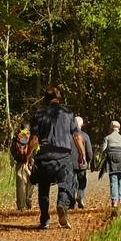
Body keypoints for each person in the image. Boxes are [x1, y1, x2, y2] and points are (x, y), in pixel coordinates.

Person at [28, 87, 87, 229]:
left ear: (45, 99)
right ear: (59, 98)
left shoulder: (39, 114)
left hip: (44, 156)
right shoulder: (67, 113)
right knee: (66, 183)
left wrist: (28, 156)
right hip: (63, 156)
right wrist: (82, 153)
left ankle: (45, 218)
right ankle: (62, 204)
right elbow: (76, 136)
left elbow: (34, 138)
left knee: (43, 187)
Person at [97, 120, 121, 208]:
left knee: (113, 179)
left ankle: (115, 201)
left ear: (111, 128)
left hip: (111, 159)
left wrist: (99, 162)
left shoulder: (107, 138)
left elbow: (102, 151)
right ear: (119, 128)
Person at [11, 125, 34, 211]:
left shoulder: (17, 136)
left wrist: (14, 160)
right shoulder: (31, 136)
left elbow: (12, 150)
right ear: (28, 127)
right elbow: (35, 149)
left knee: (20, 183)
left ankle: (20, 205)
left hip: (20, 163)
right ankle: (29, 200)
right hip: (30, 163)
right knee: (31, 181)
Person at [73, 116, 93, 210]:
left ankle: (71, 201)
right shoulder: (85, 136)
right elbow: (89, 151)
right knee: (82, 181)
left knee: (73, 182)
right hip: (81, 163)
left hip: (70, 163)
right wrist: (89, 160)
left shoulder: (69, 136)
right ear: (81, 125)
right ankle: (80, 196)